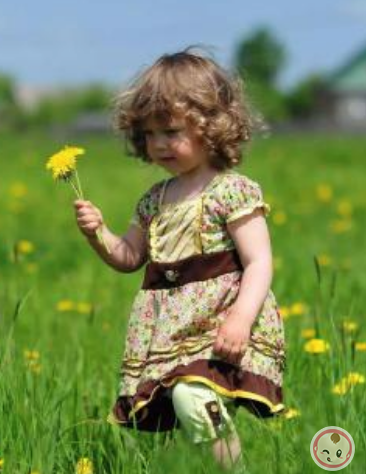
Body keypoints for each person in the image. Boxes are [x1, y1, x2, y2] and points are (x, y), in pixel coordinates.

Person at [74, 48, 286, 470]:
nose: (158, 144)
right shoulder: (154, 200)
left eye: (171, 131)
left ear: (211, 126)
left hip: (221, 322)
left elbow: (259, 261)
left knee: (193, 396)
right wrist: (97, 233)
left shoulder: (231, 191)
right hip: (170, 331)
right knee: (185, 406)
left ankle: (233, 468)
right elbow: (129, 257)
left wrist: (241, 319)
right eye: (149, 134)